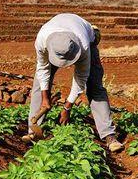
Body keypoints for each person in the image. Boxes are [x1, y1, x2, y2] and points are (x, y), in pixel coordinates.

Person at [22, 13, 123, 152]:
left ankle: (109, 136)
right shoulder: (42, 39)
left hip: (86, 38)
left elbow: (81, 77)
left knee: (95, 87)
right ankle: (33, 131)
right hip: (56, 37)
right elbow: (43, 70)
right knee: (39, 86)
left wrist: (67, 107)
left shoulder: (83, 45)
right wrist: (46, 99)